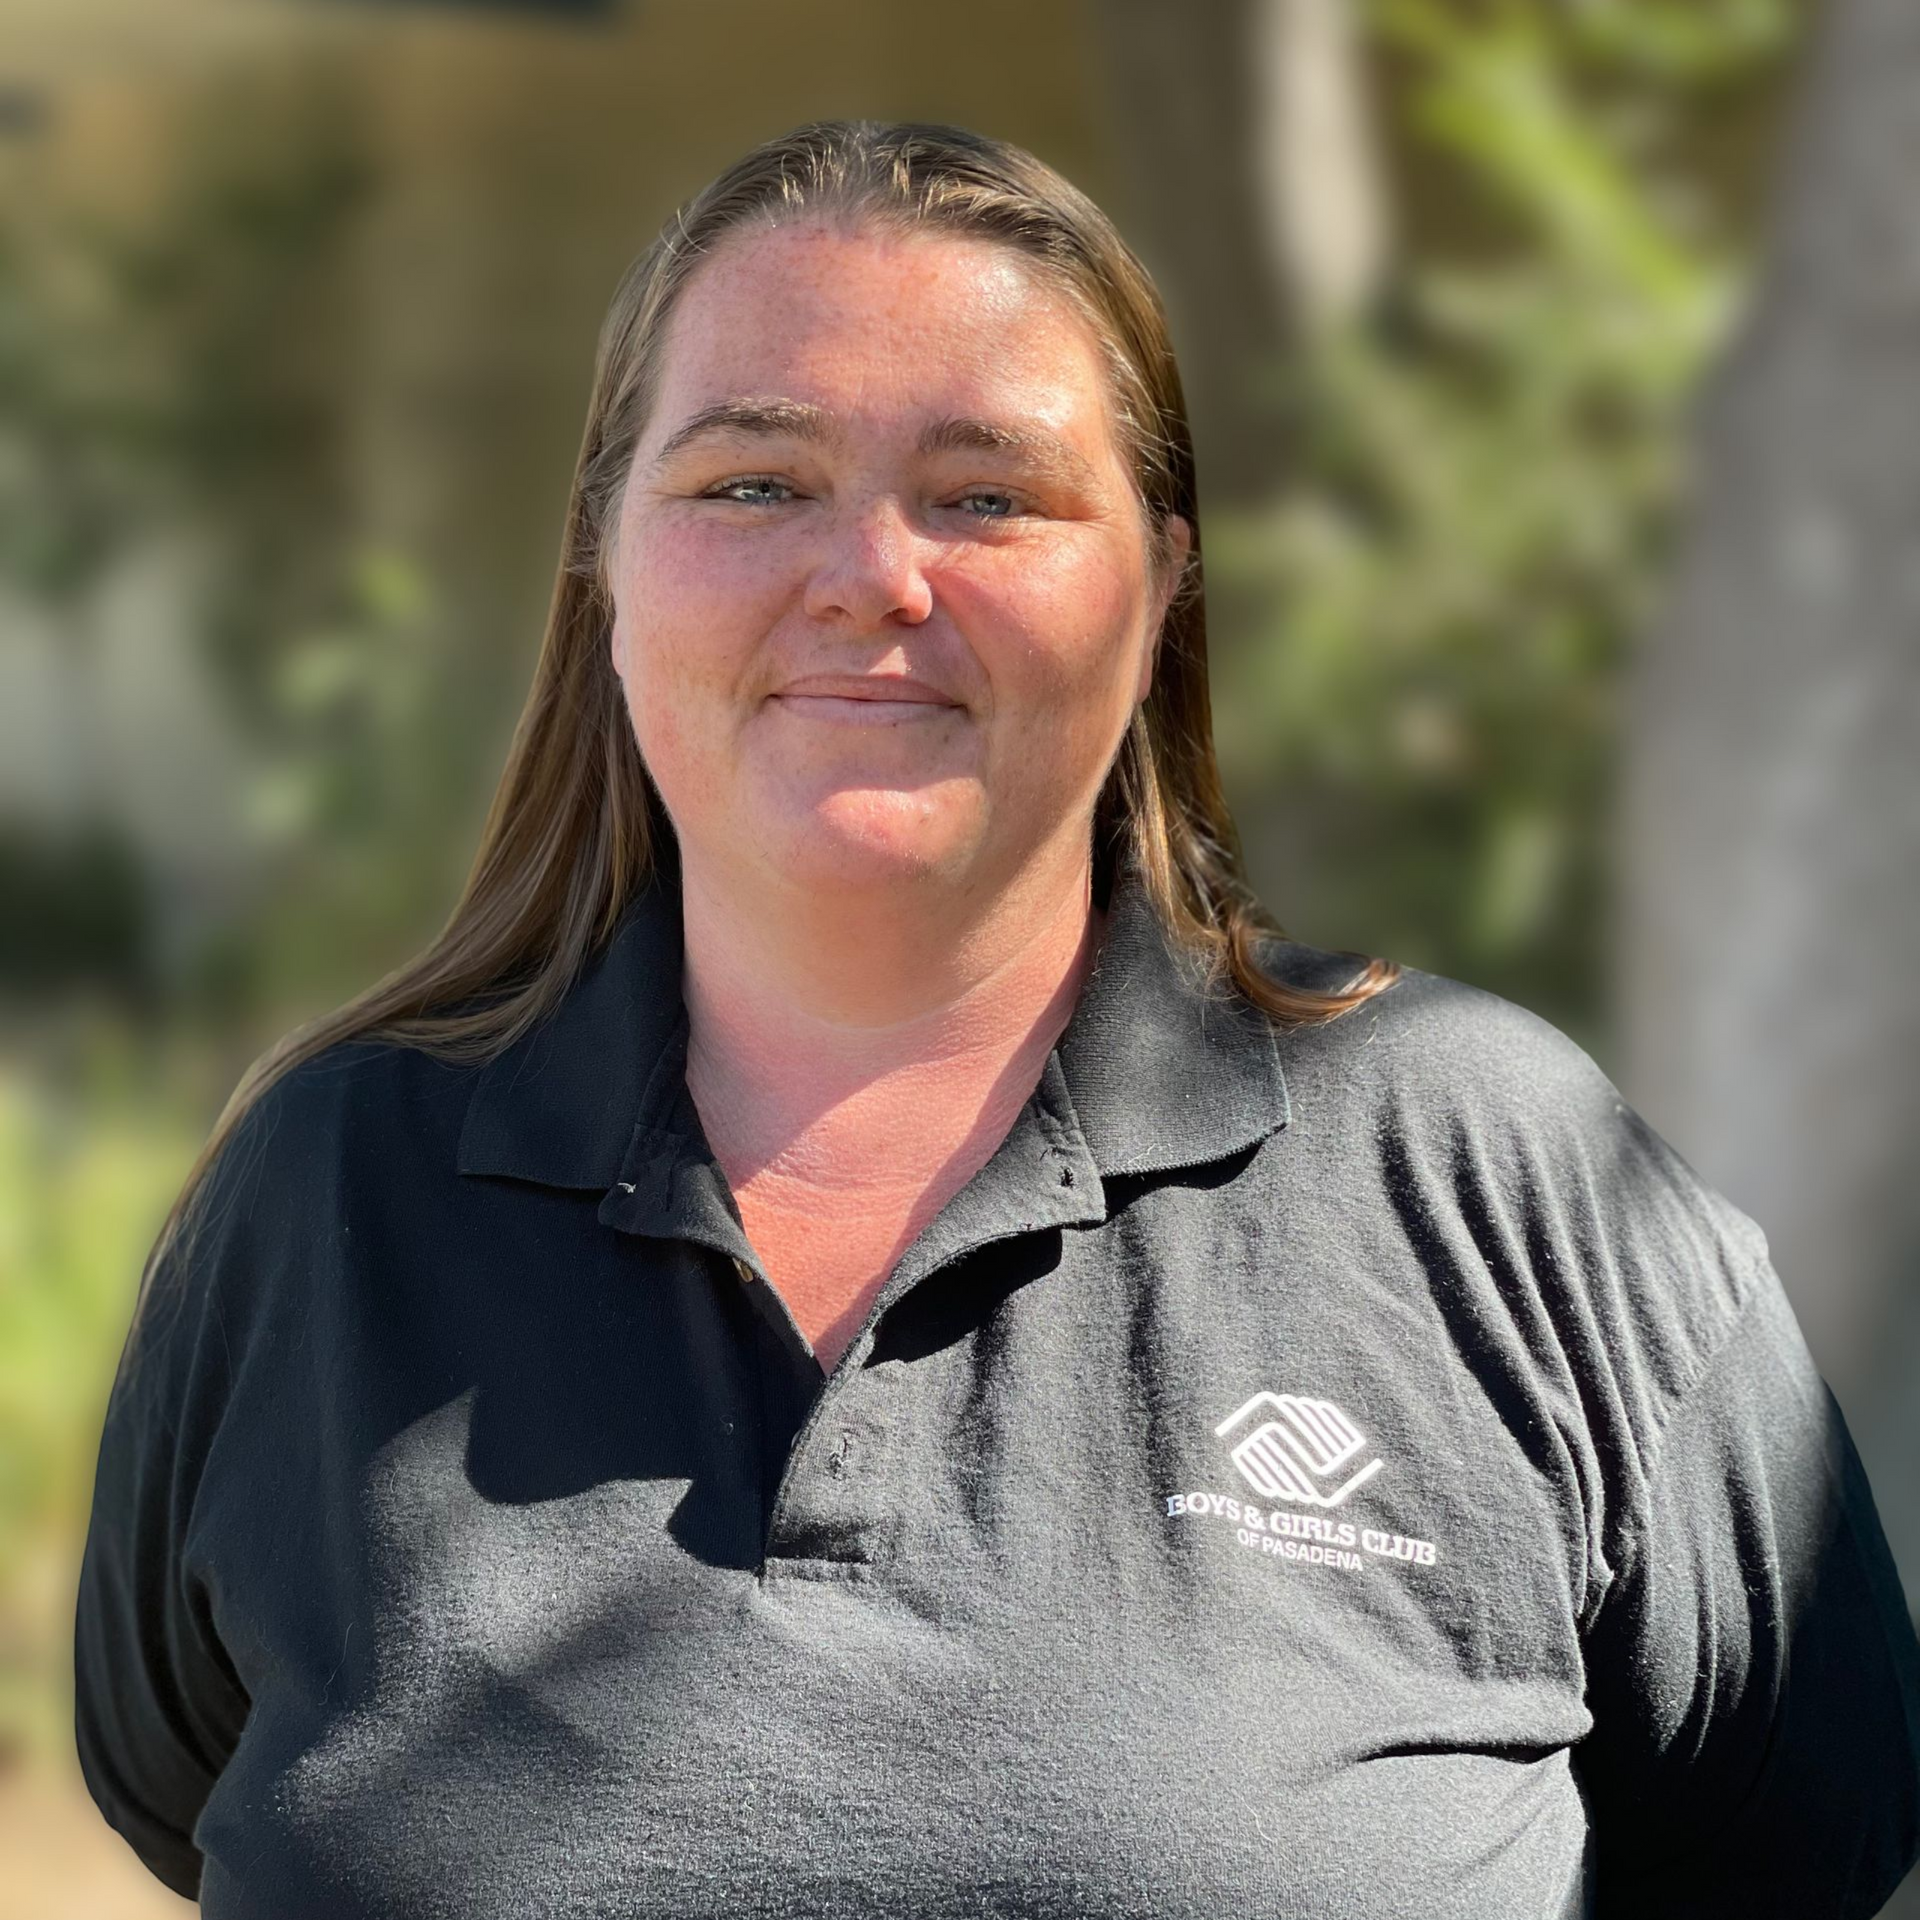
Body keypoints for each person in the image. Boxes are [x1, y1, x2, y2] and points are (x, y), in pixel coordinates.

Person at [73, 118, 1920, 1919]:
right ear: (604, 557)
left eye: (989, 496)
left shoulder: (1494, 1176)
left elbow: (1803, 1836)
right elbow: (186, 1781)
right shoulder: (330, 1194)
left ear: (1164, 581)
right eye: (752, 482)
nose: (872, 576)